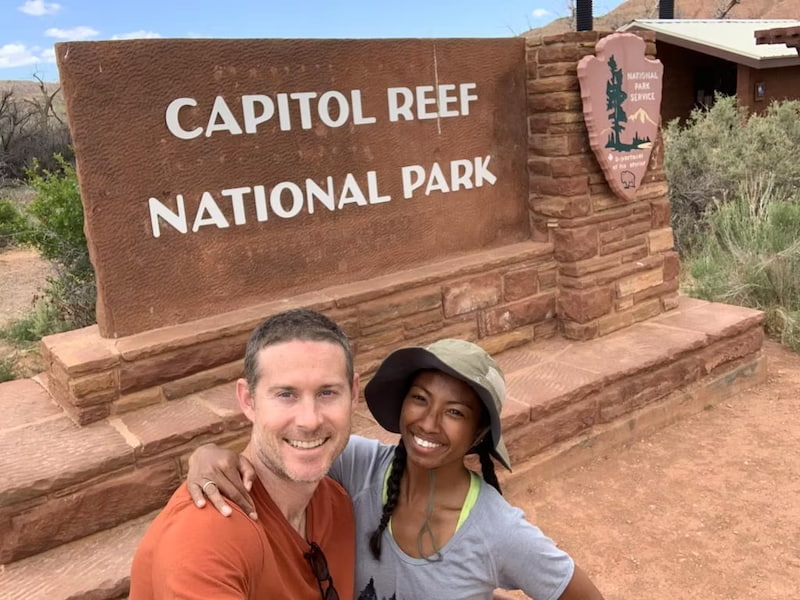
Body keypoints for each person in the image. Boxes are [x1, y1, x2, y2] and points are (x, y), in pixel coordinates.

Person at [187, 338, 605, 599]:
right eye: (420, 398)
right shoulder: (357, 466)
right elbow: (284, 453)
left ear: (479, 433)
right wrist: (207, 454)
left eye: (455, 411)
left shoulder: (498, 531)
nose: (428, 422)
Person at [130, 309, 359, 599]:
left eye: (327, 392)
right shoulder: (207, 535)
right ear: (247, 400)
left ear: (354, 394)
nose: (309, 420)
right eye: (286, 394)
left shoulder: (337, 502)